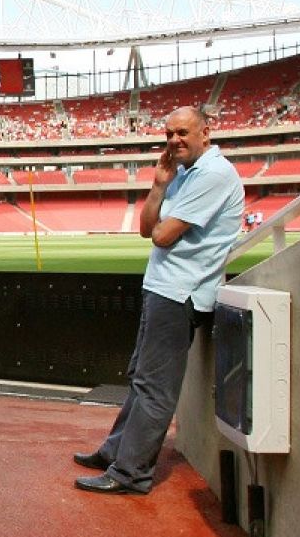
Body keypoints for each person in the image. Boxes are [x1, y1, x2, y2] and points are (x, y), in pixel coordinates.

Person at [74, 107, 245, 494]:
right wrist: (158, 185)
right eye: (168, 134)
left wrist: (163, 211)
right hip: (162, 286)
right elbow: (146, 228)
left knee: (155, 387)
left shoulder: (215, 174)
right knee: (140, 377)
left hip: (180, 291)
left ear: (206, 132)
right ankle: (115, 451)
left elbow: (163, 236)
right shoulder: (183, 174)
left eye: (183, 133)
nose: (173, 141)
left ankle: (131, 473)